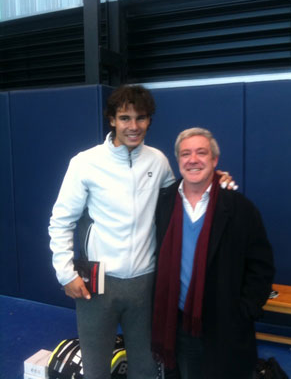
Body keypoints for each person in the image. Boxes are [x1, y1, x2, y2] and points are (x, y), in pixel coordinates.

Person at [49, 86, 235, 379]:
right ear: (112, 120)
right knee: (95, 370)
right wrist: (65, 273)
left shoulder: (158, 161)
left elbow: (179, 200)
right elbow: (61, 220)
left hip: (146, 284)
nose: (133, 127)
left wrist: (212, 179)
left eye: (141, 118)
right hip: (98, 285)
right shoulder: (85, 163)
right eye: (125, 118)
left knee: (147, 368)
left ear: (149, 120)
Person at [152, 127, 274, 379]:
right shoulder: (163, 203)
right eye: (185, 154)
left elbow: (261, 266)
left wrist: (245, 310)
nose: (193, 159)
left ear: (214, 160)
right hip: (179, 324)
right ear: (178, 161)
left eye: (201, 153)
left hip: (227, 325)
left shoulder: (240, 208)